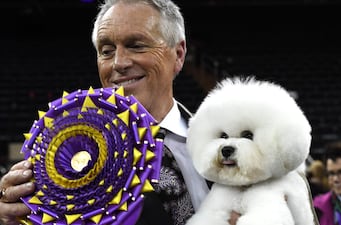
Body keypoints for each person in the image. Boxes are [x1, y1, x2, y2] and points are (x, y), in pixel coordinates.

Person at [0, 0, 234, 224]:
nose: (118, 63)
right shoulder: (70, 166)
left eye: (136, 45)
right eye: (106, 51)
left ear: (179, 54)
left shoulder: (231, 143)